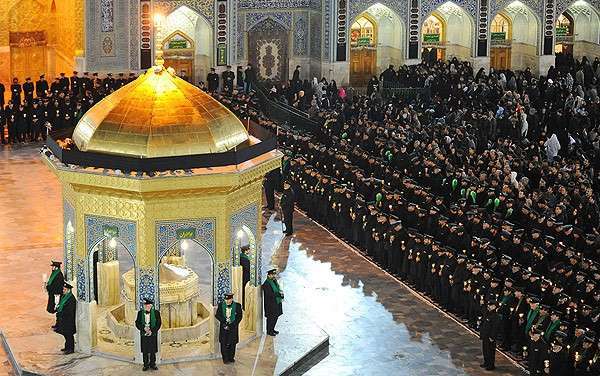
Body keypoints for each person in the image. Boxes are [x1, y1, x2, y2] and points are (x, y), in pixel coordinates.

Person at [215, 293, 243, 364]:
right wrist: (224, 322)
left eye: (229, 299)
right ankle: (225, 358)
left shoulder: (237, 306)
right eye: (226, 299)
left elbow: (239, 317)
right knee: (224, 343)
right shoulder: (221, 305)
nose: (227, 301)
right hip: (224, 327)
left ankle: (231, 357)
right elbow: (217, 315)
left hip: (233, 327)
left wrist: (233, 324)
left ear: (232, 299)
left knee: (232, 343)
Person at [135, 298, 161, 371]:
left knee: (153, 350)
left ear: (151, 305)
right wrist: (143, 328)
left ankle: (153, 364)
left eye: (148, 305)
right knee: (145, 350)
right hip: (144, 334)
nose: (146, 307)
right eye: (145, 305)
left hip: (153, 334)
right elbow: (137, 323)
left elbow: (159, 323)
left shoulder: (156, 313)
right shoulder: (140, 313)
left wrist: (152, 331)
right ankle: (145, 365)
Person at [54, 282, 76, 354]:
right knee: (66, 335)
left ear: (69, 290)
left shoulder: (71, 299)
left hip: (68, 320)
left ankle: (71, 349)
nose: (63, 291)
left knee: (69, 335)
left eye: (64, 289)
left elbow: (69, 311)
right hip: (64, 320)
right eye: (63, 289)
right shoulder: (64, 296)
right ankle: (67, 347)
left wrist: (61, 312)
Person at [480, 300, 501, 370]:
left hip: (490, 337)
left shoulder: (496, 316)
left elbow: (495, 328)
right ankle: (486, 362)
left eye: (490, 305)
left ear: (494, 306)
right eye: (488, 305)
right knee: (485, 350)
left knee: (490, 351)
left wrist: (492, 337)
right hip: (485, 336)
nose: (488, 306)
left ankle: (491, 365)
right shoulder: (488, 313)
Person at [262, 268, 283, 336]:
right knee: (271, 318)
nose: (274, 276)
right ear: (268, 275)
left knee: (275, 316)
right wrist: (278, 294)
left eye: (274, 274)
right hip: (270, 304)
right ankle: (269, 331)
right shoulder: (266, 283)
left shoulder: (274, 281)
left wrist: (281, 294)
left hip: (276, 302)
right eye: (272, 275)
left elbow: (278, 289)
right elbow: (269, 294)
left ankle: (272, 329)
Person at [46, 260, 65, 327]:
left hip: (56, 295)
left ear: (56, 267)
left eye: (53, 266)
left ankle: (59, 324)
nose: (52, 268)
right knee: (56, 309)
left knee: (58, 309)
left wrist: (50, 289)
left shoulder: (59, 275)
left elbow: (58, 286)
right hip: (53, 294)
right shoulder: (55, 274)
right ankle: (58, 324)